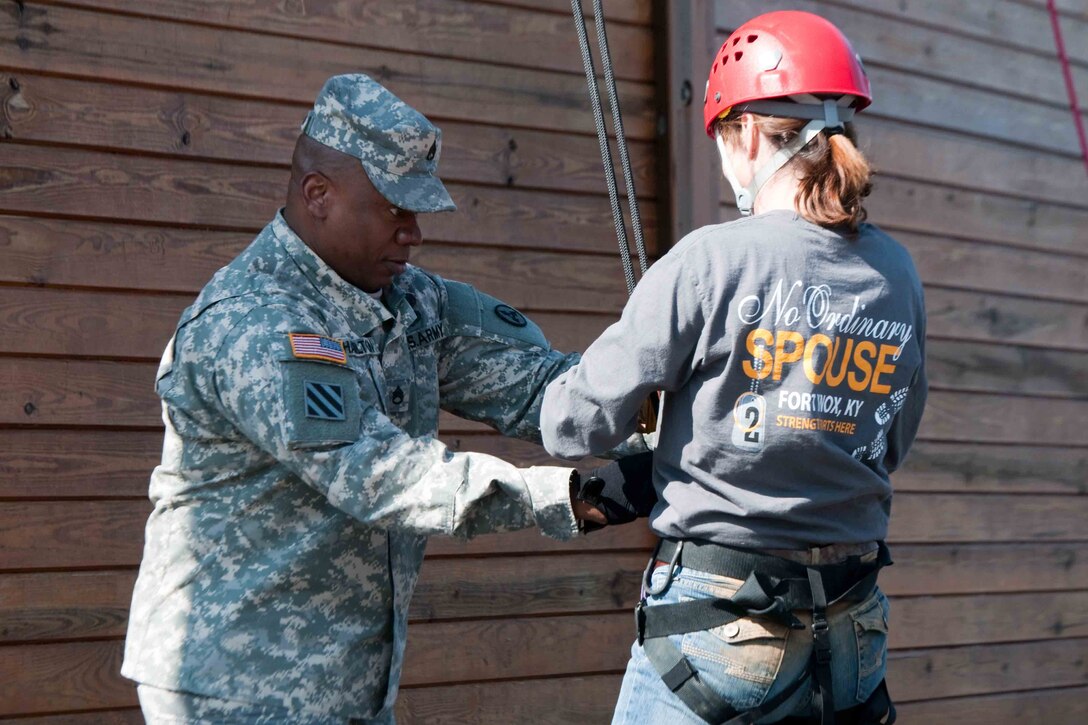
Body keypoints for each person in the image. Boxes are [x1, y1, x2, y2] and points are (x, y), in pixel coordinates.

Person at [121, 73, 644, 723]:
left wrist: (677, 416)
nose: (414, 232)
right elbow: (378, 474)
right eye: (395, 209)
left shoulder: (408, 302)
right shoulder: (254, 321)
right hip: (234, 684)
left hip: (343, 684)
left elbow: (539, 389)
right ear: (319, 195)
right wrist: (577, 498)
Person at [542, 11, 926, 725]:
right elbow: (889, 438)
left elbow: (572, 423)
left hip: (720, 630)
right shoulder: (896, 272)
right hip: (850, 633)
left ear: (748, 134)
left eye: (723, 142)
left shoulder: (710, 259)